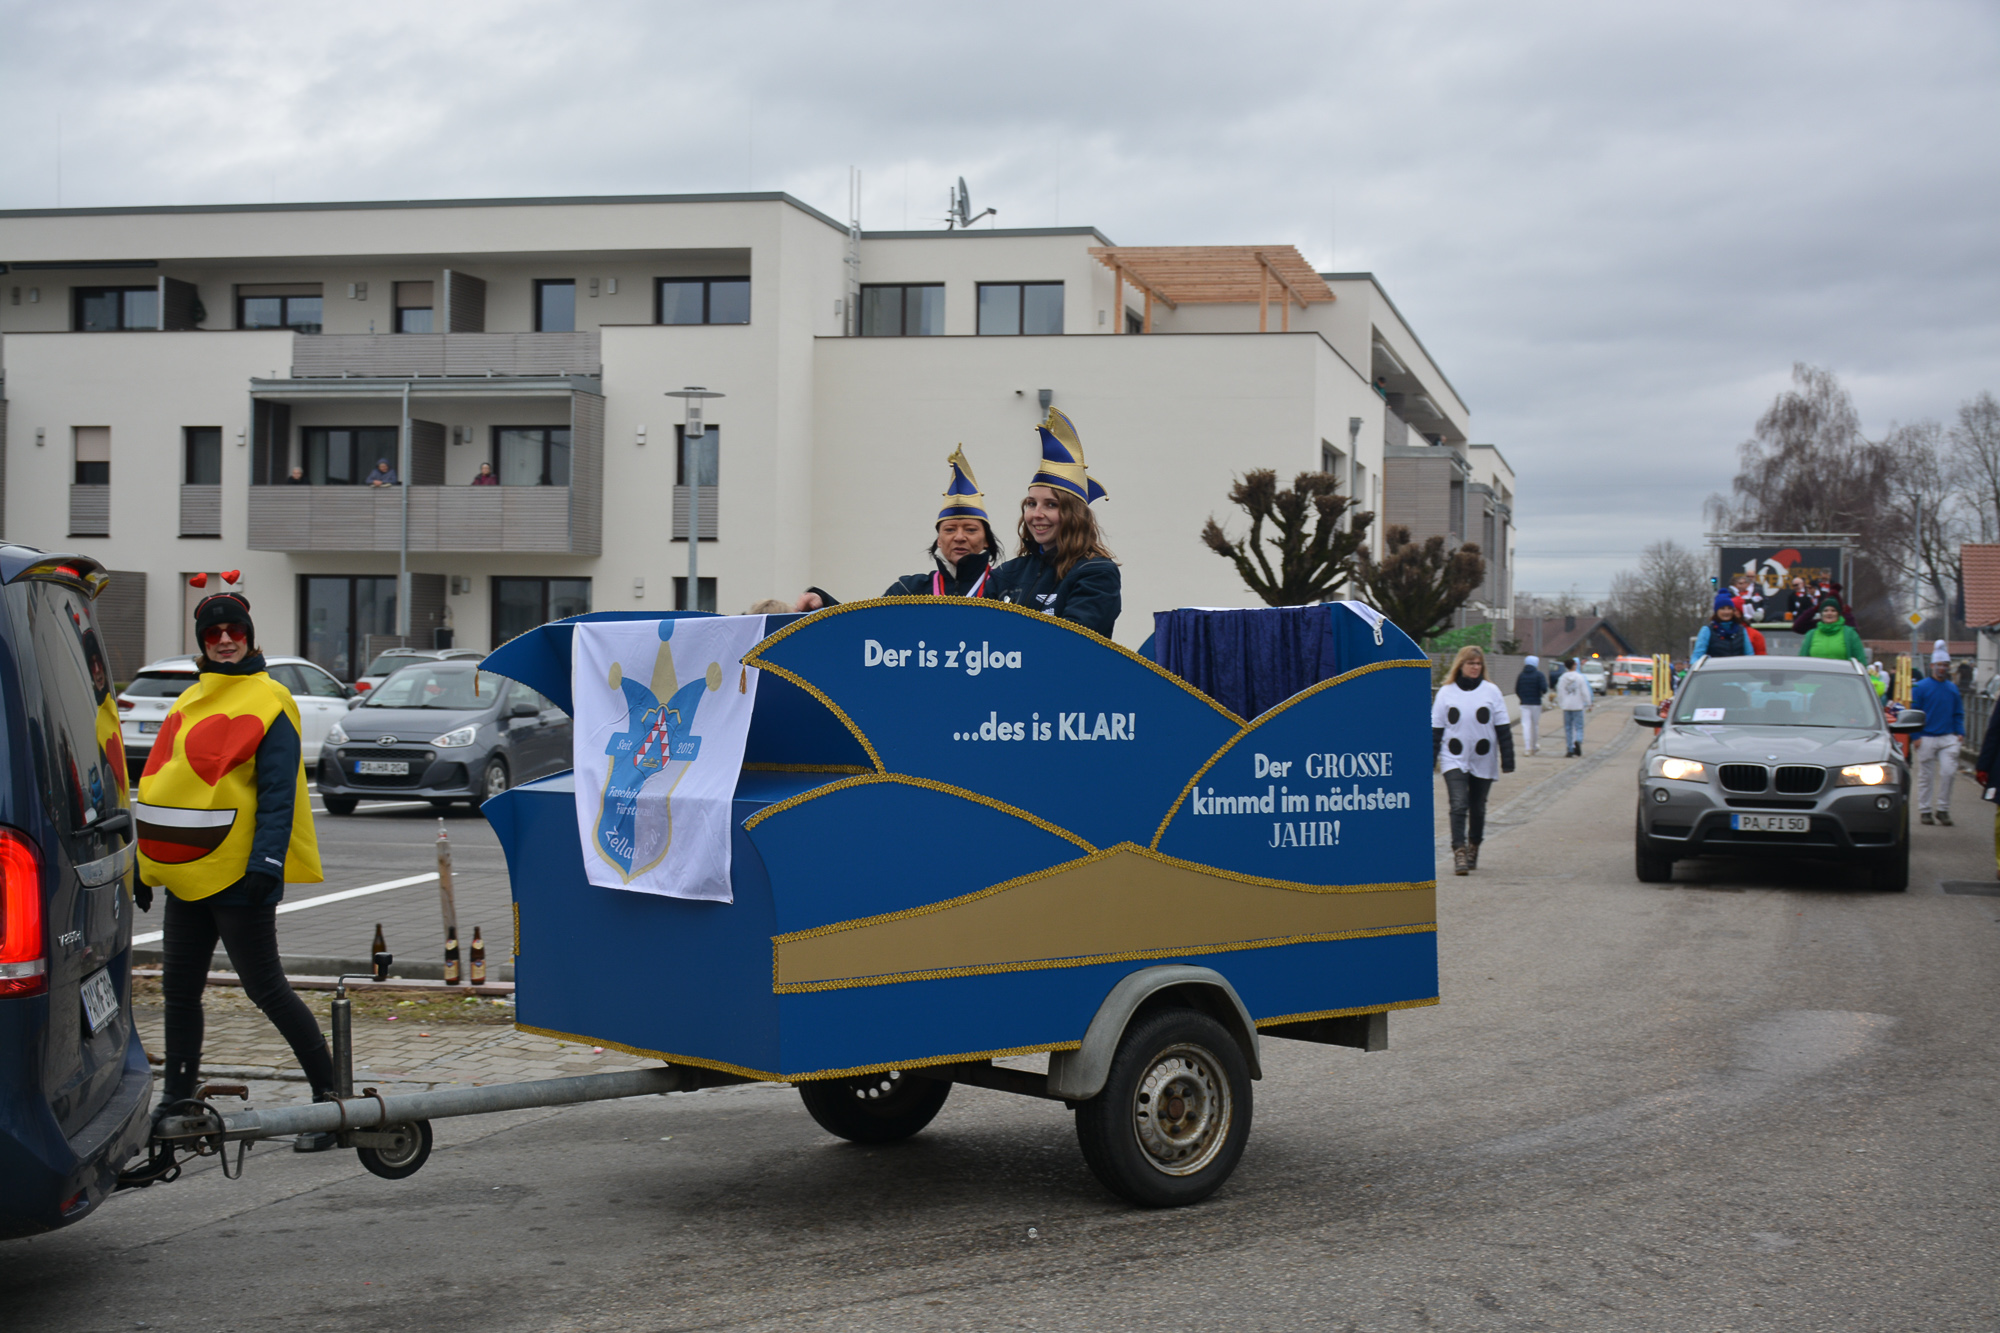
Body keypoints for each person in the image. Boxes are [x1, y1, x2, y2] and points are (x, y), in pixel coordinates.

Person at [134, 581, 333, 1168]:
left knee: (266, 988)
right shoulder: (190, 699)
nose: (225, 640)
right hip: (187, 871)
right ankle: (176, 1100)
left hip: (240, 874)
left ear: (249, 636)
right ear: (201, 641)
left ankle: (330, 1099)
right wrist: (145, 861)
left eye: (235, 631)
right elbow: (161, 784)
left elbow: (279, 793)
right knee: (178, 992)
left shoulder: (270, 699)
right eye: (213, 633)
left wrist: (266, 863)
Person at [791, 448, 1007, 612]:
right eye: (950, 530)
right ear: (939, 540)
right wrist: (823, 603)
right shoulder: (910, 590)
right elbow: (867, 628)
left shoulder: (1005, 588)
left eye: (970, 530)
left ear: (986, 539)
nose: (959, 537)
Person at [989, 409, 1120, 637]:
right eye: (1031, 504)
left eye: (1051, 505)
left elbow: (1072, 641)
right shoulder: (1006, 573)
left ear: (1075, 515)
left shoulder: (1096, 572)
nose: (1037, 514)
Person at [1431, 645, 1514, 875]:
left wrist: (1508, 759)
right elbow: (1436, 730)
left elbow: (1503, 727)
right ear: (1461, 665)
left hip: (1483, 757)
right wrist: (1430, 760)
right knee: (1459, 804)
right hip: (1453, 757)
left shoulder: (1491, 691)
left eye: (1478, 664)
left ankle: (1473, 846)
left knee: (1478, 807)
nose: (1475, 667)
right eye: (1471, 663)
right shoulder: (1446, 692)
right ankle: (1458, 850)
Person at [1911, 648, 1966, 826]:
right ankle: (1925, 810)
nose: (1942, 668)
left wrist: (1960, 732)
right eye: (1939, 665)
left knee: (1948, 772)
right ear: (1932, 666)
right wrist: (1915, 735)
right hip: (1926, 736)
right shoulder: (1920, 687)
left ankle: (1943, 809)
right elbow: (1914, 712)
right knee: (1926, 776)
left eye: (1945, 665)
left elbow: (1958, 712)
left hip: (1948, 737)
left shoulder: (1952, 688)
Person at [1799, 595, 1867, 662]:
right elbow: (1802, 660)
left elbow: (1860, 660)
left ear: (1838, 614)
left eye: (1833, 610)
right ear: (1821, 614)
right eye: (1825, 610)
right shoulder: (1811, 634)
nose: (1829, 613)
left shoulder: (1850, 634)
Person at [1693, 592, 1752, 660]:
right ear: (1716, 611)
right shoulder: (1707, 630)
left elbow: (1749, 655)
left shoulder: (1741, 630)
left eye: (1729, 608)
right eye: (1722, 608)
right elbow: (1697, 657)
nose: (1726, 612)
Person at [1554, 654, 1593, 757]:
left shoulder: (1563, 678)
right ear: (1574, 665)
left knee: (1568, 728)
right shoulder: (1579, 677)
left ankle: (1570, 748)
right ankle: (1578, 740)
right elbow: (1585, 691)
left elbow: (1560, 691)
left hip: (1567, 706)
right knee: (1579, 726)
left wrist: (1560, 703)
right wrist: (1589, 703)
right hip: (1578, 705)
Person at [1514, 655, 1547, 756]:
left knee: (1526, 725)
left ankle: (1527, 748)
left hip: (1524, 703)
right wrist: (1540, 694)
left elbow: (1517, 689)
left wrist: (1522, 698)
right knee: (1535, 725)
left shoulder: (1521, 675)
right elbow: (1544, 688)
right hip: (1536, 703)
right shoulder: (1539, 675)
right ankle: (1534, 746)